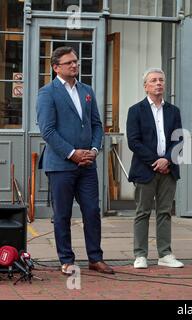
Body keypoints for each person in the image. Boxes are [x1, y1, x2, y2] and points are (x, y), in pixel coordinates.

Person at [36, 46, 114, 275]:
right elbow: (48, 131)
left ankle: (95, 258)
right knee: (63, 214)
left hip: (87, 164)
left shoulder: (87, 90)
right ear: (56, 67)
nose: (74, 65)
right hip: (61, 165)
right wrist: (72, 153)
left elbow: (97, 125)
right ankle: (67, 260)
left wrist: (93, 149)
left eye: (76, 62)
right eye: (69, 62)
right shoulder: (47, 93)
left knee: (92, 211)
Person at [126, 68, 184, 269]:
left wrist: (167, 160)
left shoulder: (173, 111)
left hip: (168, 170)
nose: (158, 83)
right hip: (145, 170)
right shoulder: (135, 110)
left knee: (165, 212)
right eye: (154, 80)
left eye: (161, 80)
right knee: (143, 212)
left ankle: (165, 254)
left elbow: (179, 140)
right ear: (145, 86)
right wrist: (156, 161)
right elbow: (133, 141)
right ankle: (140, 254)